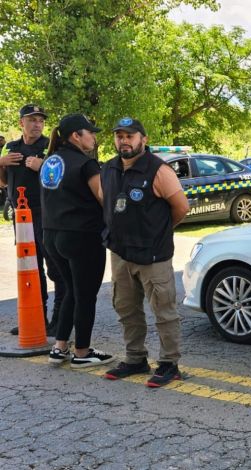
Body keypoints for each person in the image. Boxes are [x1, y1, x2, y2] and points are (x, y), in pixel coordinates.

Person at [101, 117, 190, 387]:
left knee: (163, 310)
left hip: (153, 255)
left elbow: (181, 208)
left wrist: (159, 231)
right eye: (119, 136)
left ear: (143, 139)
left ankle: (169, 363)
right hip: (121, 252)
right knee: (126, 308)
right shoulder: (108, 168)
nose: (124, 140)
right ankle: (135, 357)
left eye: (130, 135)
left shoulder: (158, 170)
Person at [41, 114, 113, 368]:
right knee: (85, 296)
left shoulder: (50, 160)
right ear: (76, 136)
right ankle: (82, 352)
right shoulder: (86, 164)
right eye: (90, 132)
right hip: (82, 236)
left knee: (71, 289)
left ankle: (59, 346)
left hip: (51, 236)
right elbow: (104, 198)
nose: (94, 136)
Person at [0, 104, 64, 336]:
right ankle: (35, 317)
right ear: (21, 123)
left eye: (40, 120)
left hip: (45, 215)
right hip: (21, 216)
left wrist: (43, 166)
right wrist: (1, 163)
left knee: (55, 268)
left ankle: (59, 320)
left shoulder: (51, 147)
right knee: (30, 269)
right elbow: (4, 183)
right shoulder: (12, 147)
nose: (37, 124)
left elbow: (62, 178)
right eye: (32, 120)